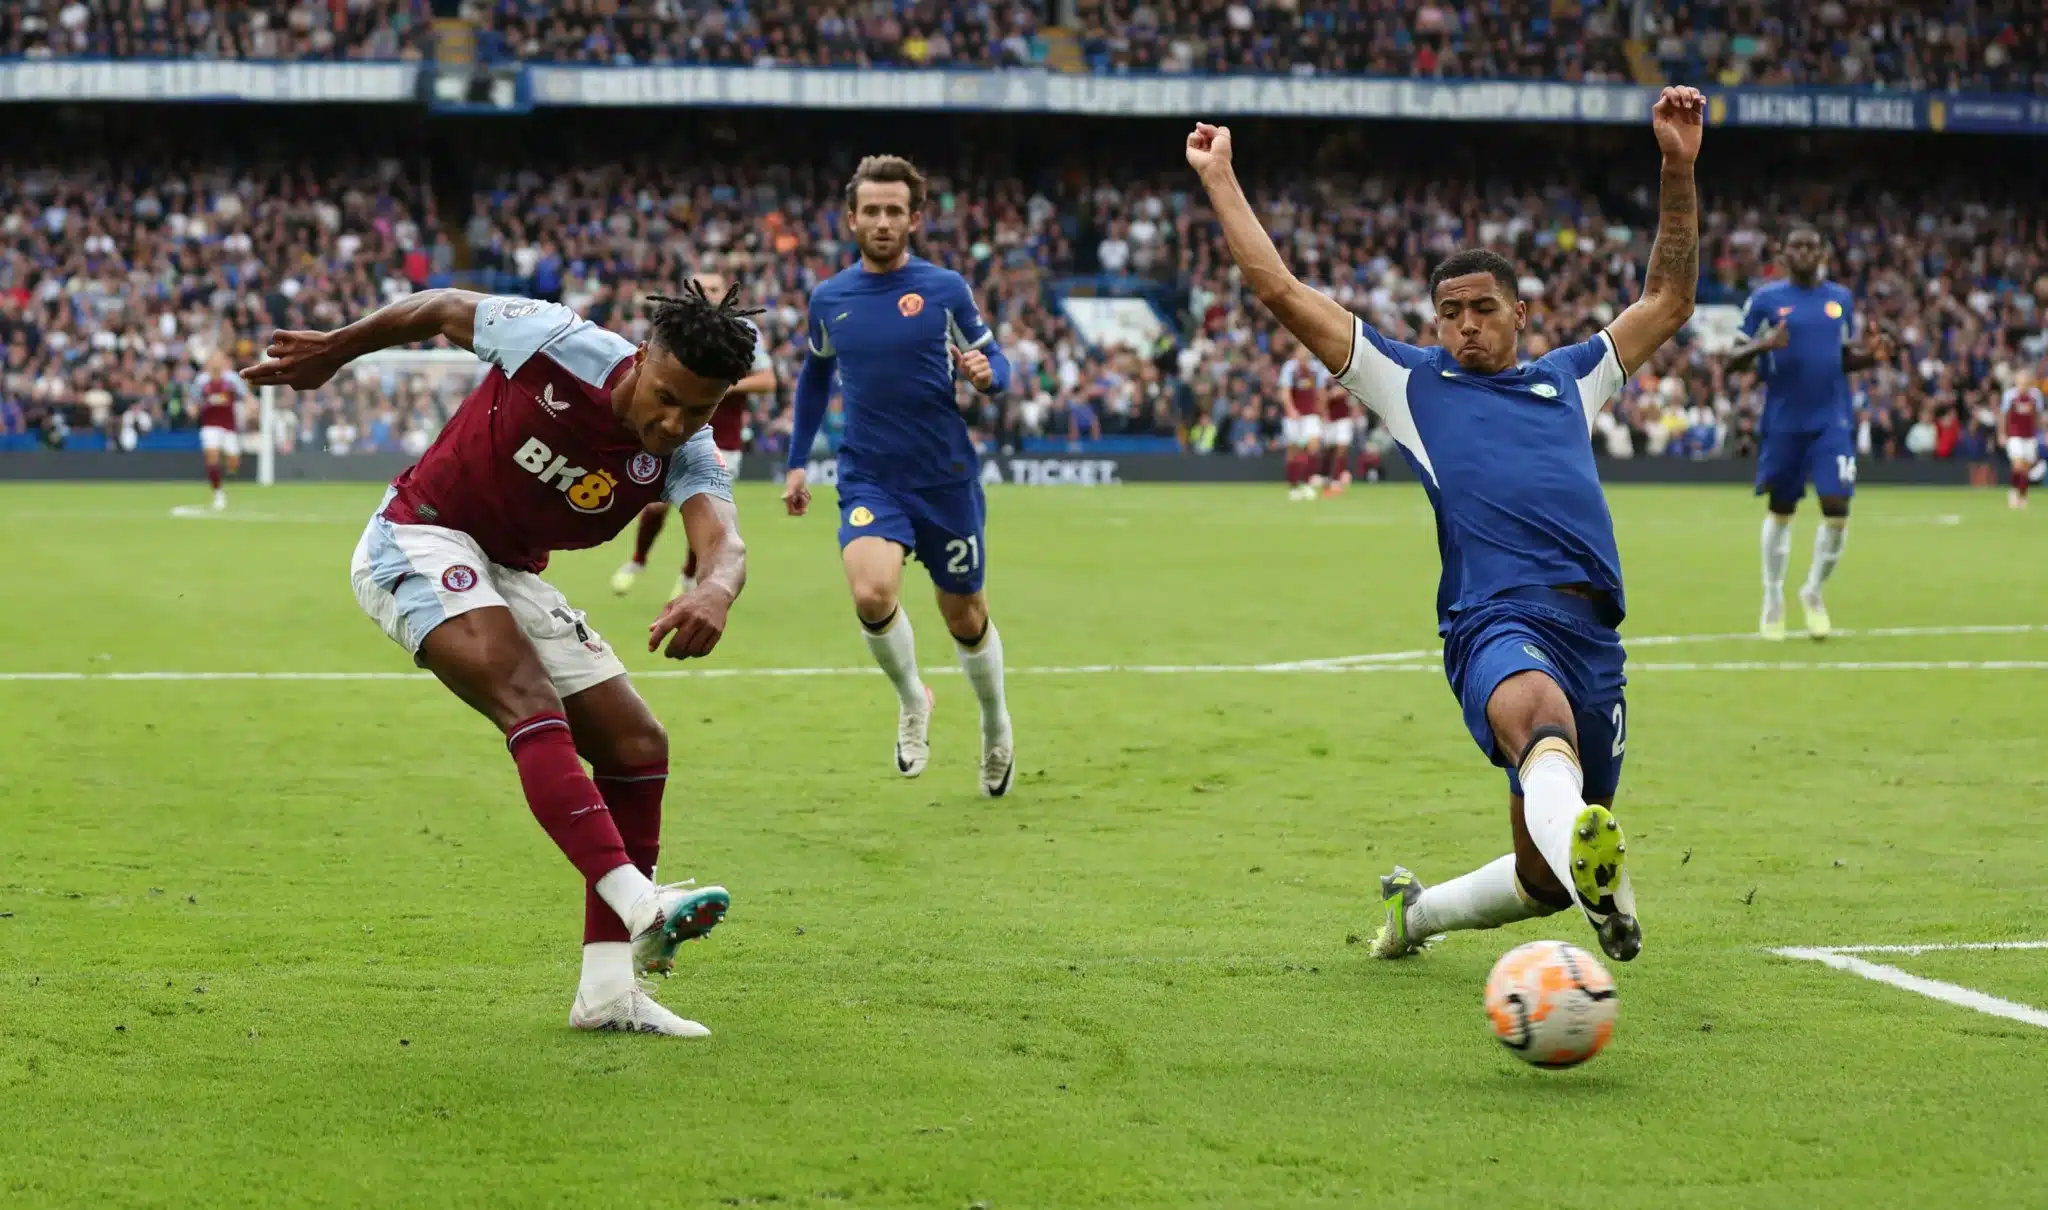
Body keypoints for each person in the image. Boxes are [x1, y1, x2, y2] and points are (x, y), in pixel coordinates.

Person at [1186, 85, 1710, 966]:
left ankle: (1415, 917)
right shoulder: (1409, 382)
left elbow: (1669, 298)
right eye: (1450, 313)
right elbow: (1277, 288)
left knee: (1541, 876)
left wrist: (1677, 167)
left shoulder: (1573, 378)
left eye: (1483, 310)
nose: (1465, 327)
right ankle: (1602, 881)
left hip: (1594, 634)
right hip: (1494, 620)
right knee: (1542, 727)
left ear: (1520, 313)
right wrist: (1221, 178)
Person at [242, 282, 759, 1038]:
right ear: (643, 360)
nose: (674, 422)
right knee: (527, 695)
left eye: (699, 410)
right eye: (666, 398)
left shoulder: (687, 450)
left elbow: (725, 542)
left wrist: (715, 591)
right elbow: (444, 307)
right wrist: (336, 350)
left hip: (510, 572)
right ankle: (642, 903)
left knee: (637, 746)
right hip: (417, 534)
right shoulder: (559, 342)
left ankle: (608, 993)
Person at [781, 155, 1017, 796]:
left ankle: (996, 728)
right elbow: (815, 376)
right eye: (871, 211)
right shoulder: (830, 298)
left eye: (895, 211)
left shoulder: (944, 289)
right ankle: (915, 699)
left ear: (913, 219)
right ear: (851, 218)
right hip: (868, 476)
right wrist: (798, 461)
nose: (882, 222)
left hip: (943, 477)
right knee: (871, 595)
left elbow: (995, 357)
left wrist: (991, 377)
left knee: (965, 616)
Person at [1724, 227, 1893, 640]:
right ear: (1783, 253)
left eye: (1810, 246)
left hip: (1831, 420)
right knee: (1782, 509)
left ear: (1822, 252)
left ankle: (1813, 592)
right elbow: (1731, 359)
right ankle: (1773, 598)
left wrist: (1869, 357)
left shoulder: (1841, 299)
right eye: (1795, 245)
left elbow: (1837, 359)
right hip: (1784, 422)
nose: (1803, 252)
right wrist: (1763, 346)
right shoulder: (1766, 300)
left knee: (1837, 508)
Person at [613, 269, 779, 597]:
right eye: (702, 288)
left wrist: (720, 389)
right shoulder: (678, 330)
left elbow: (768, 381)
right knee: (656, 505)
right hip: (671, 429)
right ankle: (638, 561)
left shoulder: (744, 331)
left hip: (723, 438)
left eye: (715, 287)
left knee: (705, 510)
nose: (709, 294)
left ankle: (688, 577)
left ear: (728, 291)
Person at [194, 353, 251, 510]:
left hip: (229, 426)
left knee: (233, 461)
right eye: (213, 359)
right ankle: (218, 492)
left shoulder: (232, 379)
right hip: (209, 425)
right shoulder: (201, 381)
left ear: (225, 362)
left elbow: (246, 396)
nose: (216, 362)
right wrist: (193, 408)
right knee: (212, 456)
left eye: (219, 359)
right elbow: (194, 399)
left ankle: (225, 476)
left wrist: (250, 406)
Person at [1998, 370, 2042, 509]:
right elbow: (2003, 415)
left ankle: (2023, 496)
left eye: (2026, 383)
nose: (2023, 386)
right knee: (2018, 465)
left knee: (2026, 468)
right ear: (2017, 383)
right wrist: (2002, 433)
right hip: (2015, 435)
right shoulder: (2009, 395)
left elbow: (2038, 416)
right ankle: (2013, 492)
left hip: (2030, 436)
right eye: (2021, 383)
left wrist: (2042, 433)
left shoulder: (2036, 395)